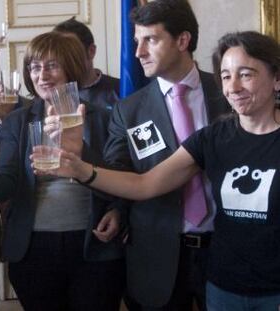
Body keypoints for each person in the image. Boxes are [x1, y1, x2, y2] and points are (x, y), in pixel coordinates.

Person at [41, 30, 280, 311]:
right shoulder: (213, 137)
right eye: (226, 76)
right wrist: (82, 169)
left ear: (277, 78)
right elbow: (145, 184)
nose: (233, 87)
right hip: (225, 287)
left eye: (246, 74)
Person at [0, 31, 125, 311]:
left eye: (52, 65)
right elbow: (5, 185)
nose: (42, 75)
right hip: (33, 246)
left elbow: (119, 177)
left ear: (72, 67)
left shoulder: (102, 117)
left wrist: (78, 150)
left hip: (92, 245)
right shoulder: (17, 121)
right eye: (35, 67)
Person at [102, 0, 229, 310]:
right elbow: (118, 170)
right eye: (136, 41)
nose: (138, 52)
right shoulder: (128, 110)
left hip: (228, 251)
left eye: (151, 40)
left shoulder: (229, 95)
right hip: (158, 257)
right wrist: (117, 209)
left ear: (182, 41)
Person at [53, 17, 120, 111]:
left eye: (70, 51)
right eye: (58, 52)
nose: (63, 59)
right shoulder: (50, 95)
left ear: (91, 51)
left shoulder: (121, 90)